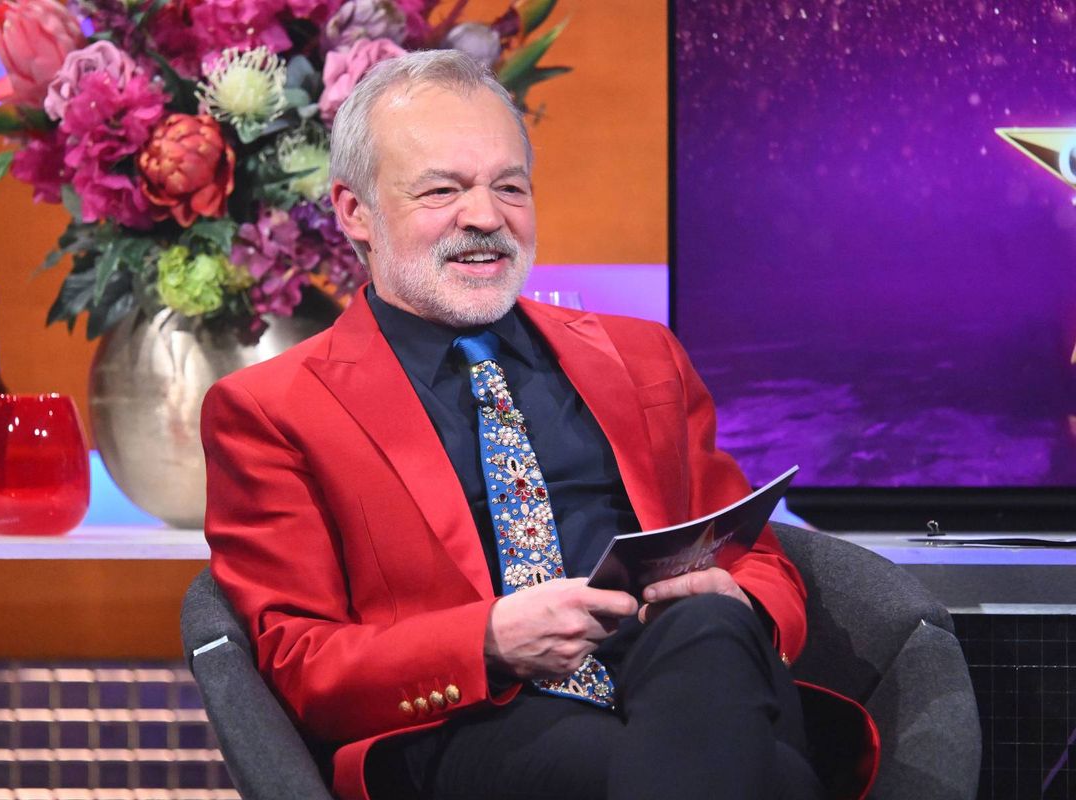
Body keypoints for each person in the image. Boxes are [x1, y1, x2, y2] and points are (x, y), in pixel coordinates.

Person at [202, 50, 873, 800]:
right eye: (443, 190)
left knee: (707, 634)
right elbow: (300, 663)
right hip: (473, 721)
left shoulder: (643, 356)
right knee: (771, 780)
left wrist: (733, 601)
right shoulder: (270, 410)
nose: (485, 217)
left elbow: (759, 560)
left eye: (509, 187)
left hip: (681, 675)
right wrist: (486, 641)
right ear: (354, 211)